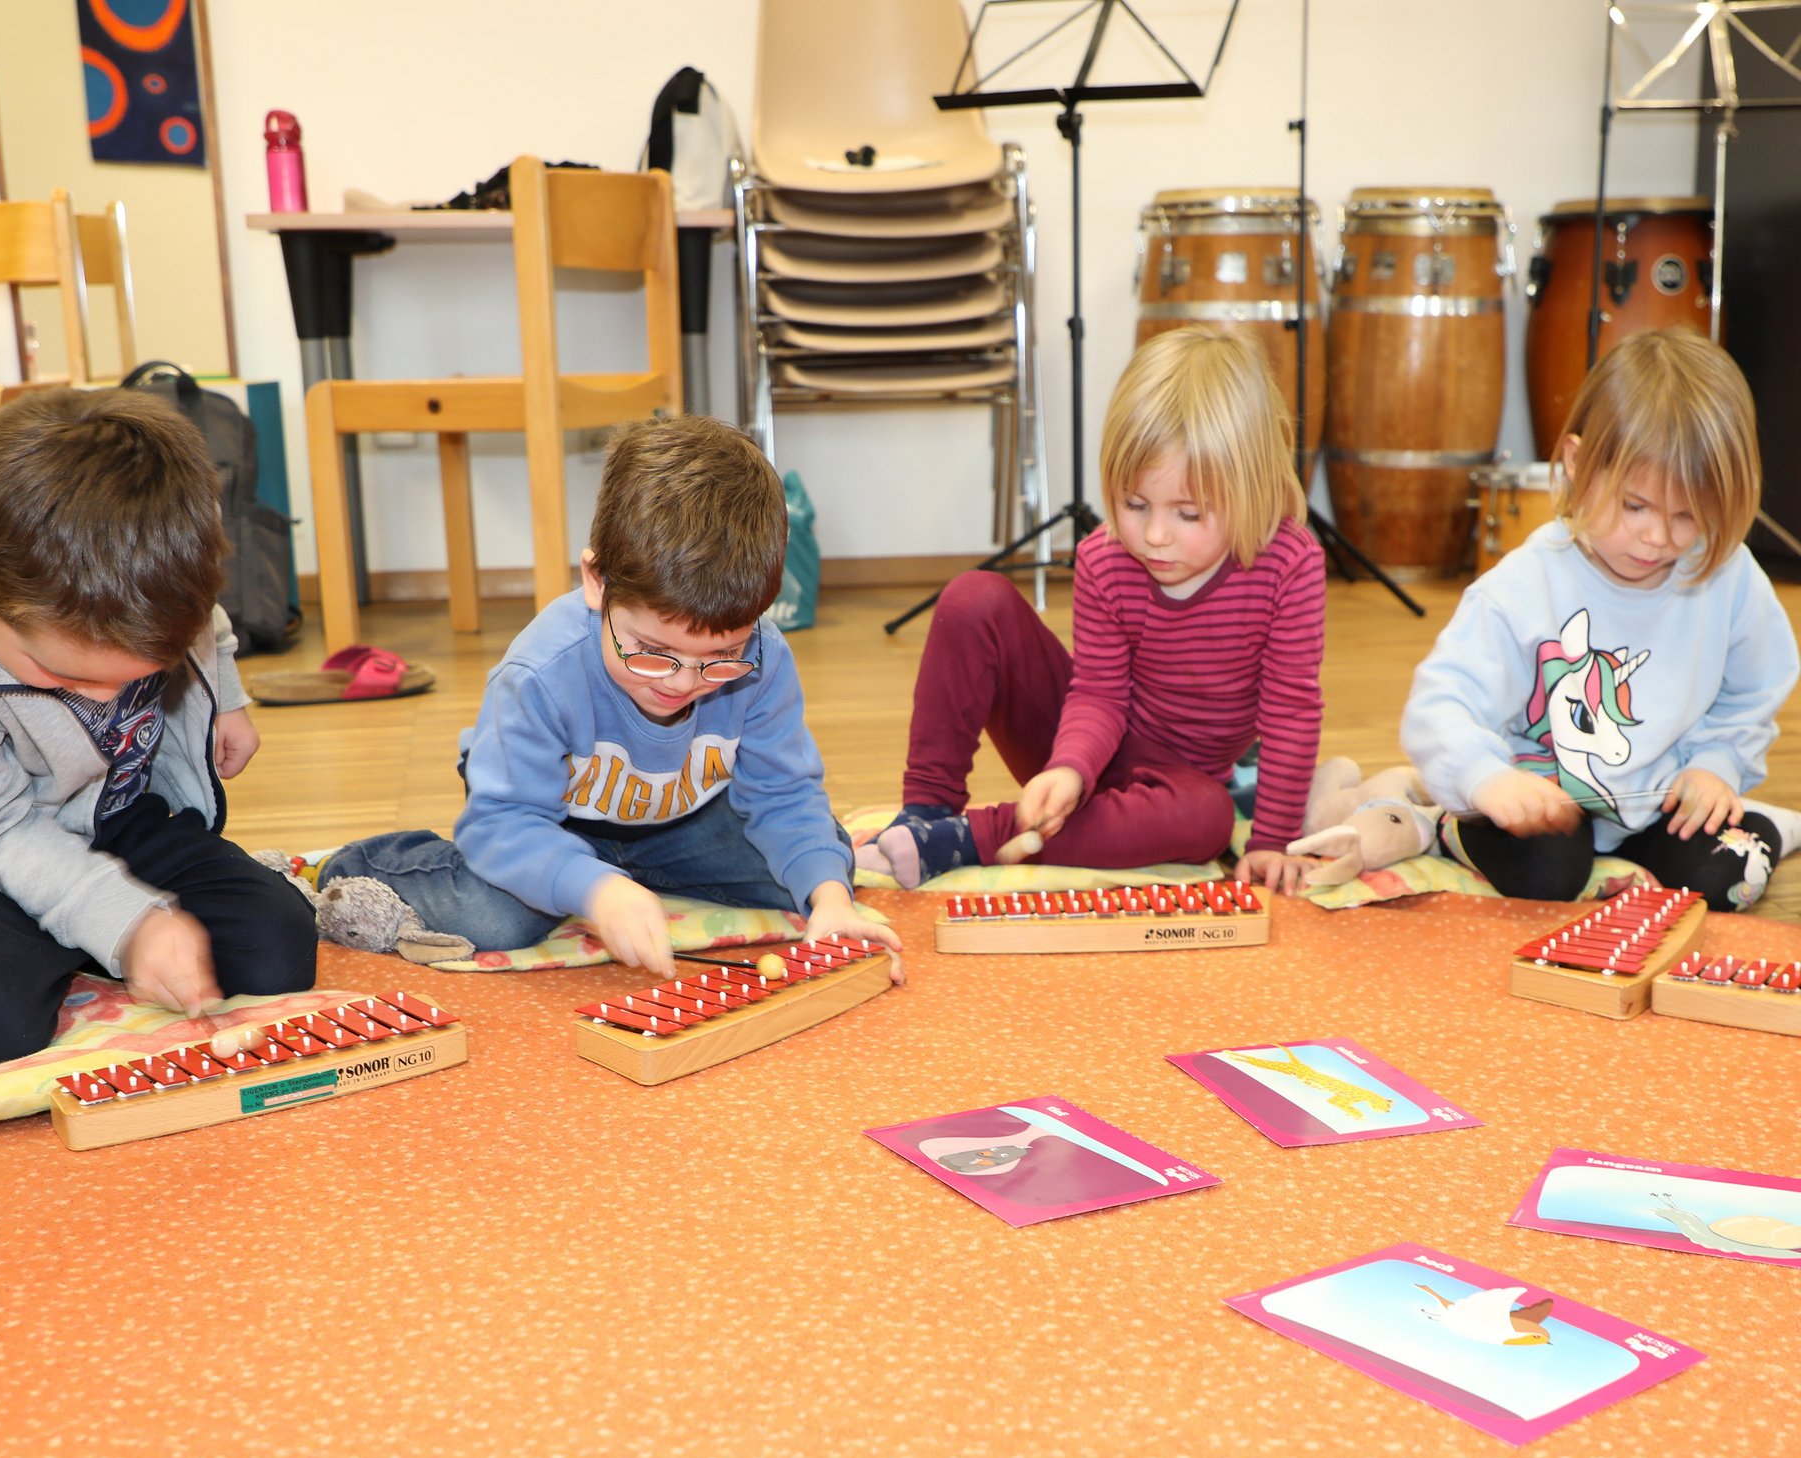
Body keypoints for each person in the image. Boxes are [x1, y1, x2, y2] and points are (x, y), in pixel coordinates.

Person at [0, 388, 317, 1076]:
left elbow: (204, 614)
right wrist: (129, 923)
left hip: (101, 805)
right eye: (58, 673)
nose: (105, 703)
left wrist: (224, 693)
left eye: (137, 673)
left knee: (273, 946)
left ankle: (46, 939)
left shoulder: (151, 560)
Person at [320, 415, 902, 980]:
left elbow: (784, 794)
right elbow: (504, 822)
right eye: (651, 651)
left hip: (682, 824)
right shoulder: (539, 673)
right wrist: (594, 888)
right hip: (544, 819)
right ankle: (370, 864)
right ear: (597, 582)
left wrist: (830, 900)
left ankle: (634, 878)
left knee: (813, 868)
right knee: (493, 919)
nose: (680, 682)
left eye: (720, 659)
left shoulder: (763, 657)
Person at [858, 325, 1325, 894]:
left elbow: (1290, 713)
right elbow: (1100, 693)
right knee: (972, 598)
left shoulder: (1290, 566)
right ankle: (927, 816)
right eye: (1134, 503)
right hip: (1079, 748)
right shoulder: (1105, 559)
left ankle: (971, 838)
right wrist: (1069, 769)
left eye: (1189, 513)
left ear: (1249, 490)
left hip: (1176, 789)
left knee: (1209, 819)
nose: (1154, 535)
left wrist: (1272, 840)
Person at [1402, 327, 1800, 910]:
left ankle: (1759, 825)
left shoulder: (1728, 575)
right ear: (1578, 464)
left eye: (1689, 516)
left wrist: (1718, 766)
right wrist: (1487, 781)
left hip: (1658, 801)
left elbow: (1753, 690)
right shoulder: (1523, 584)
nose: (1658, 537)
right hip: (1542, 805)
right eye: (1634, 506)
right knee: (1546, 877)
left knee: (1726, 880)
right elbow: (1441, 702)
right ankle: (1444, 825)